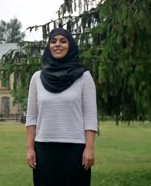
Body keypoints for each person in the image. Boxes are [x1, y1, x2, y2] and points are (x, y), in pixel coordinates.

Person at [26, 28, 98, 186]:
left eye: (63, 41)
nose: (57, 45)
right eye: (53, 41)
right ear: (48, 47)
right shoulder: (37, 78)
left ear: (70, 46)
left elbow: (90, 117)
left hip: (75, 149)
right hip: (44, 150)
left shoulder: (84, 76)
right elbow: (31, 117)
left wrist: (90, 149)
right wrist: (30, 149)